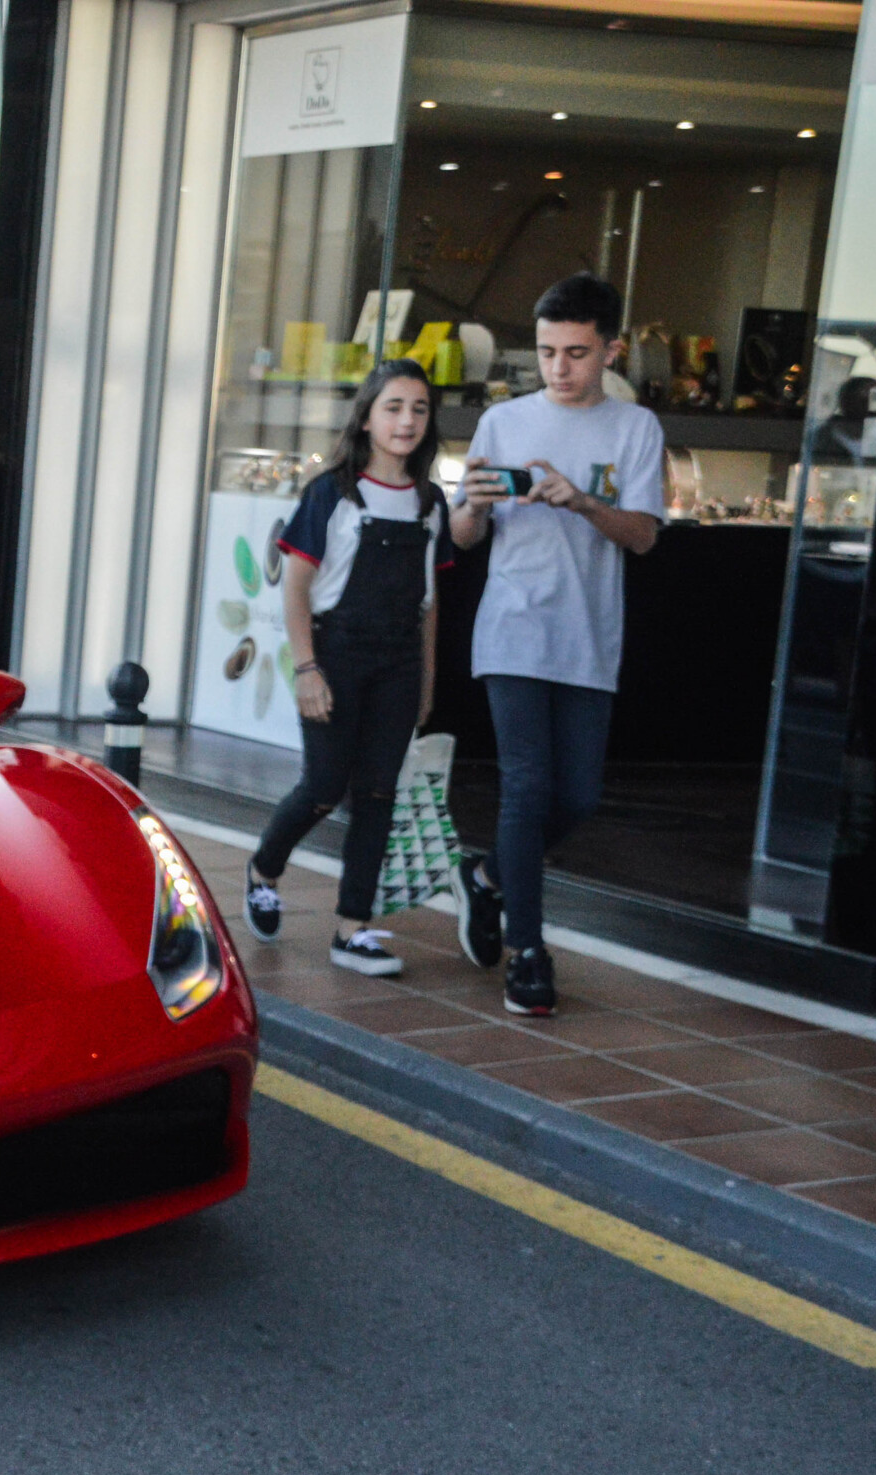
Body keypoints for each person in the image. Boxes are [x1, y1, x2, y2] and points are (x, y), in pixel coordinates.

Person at [449, 274, 665, 1017]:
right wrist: (473, 509)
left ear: (611, 349)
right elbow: (460, 533)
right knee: (528, 786)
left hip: (588, 633)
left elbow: (642, 537)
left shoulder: (636, 430)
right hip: (512, 626)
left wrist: (583, 501)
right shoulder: (504, 423)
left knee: (577, 796)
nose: (559, 368)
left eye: (576, 352)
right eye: (546, 352)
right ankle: (529, 952)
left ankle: (487, 881)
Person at [241, 359, 450, 977]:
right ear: (365, 416)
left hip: (400, 661)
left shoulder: (432, 502)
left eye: (418, 408)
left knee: (379, 794)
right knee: (325, 786)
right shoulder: (333, 491)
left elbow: (429, 606)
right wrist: (307, 668)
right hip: (335, 653)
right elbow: (296, 589)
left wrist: (427, 682)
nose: (406, 420)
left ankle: (352, 929)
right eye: (393, 407)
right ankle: (264, 868)